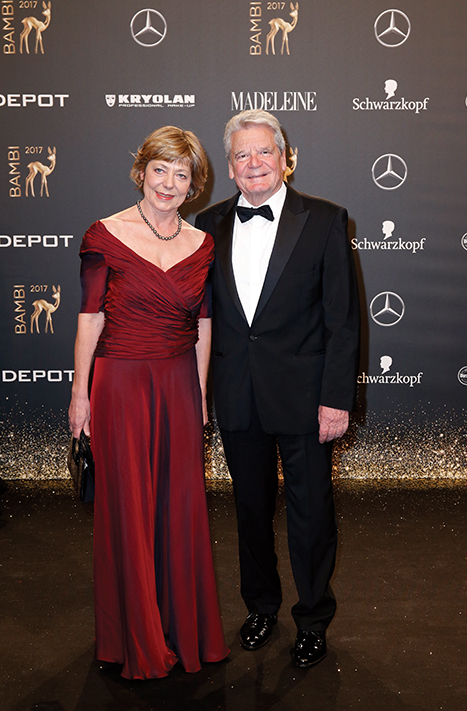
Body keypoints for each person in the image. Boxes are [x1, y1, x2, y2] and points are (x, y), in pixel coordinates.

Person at [196, 110, 360, 668]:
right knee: (249, 509)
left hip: (307, 397)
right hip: (238, 392)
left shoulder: (325, 219)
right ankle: (261, 606)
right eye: (241, 155)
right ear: (229, 166)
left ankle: (312, 618)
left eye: (264, 151)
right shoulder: (206, 223)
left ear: (285, 158)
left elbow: (343, 320)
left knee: (311, 513)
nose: (254, 163)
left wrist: (336, 399)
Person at [68, 126, 229, 679]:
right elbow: (90, 318)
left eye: (182, 174)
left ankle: (184, 631)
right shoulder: (106, 233)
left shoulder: (202, 245)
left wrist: (200, 395)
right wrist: (80, 394)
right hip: (120, 384)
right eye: (160, 169)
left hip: (179, 384)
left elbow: (203, 325)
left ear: (194, 185)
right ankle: (135, 638)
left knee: (180, 505)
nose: (169, 183)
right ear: (141, 172)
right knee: (130, 505)